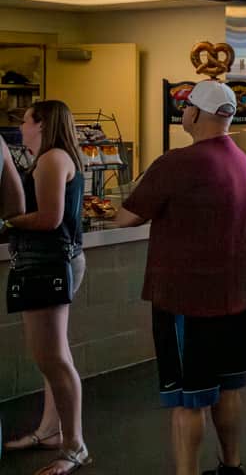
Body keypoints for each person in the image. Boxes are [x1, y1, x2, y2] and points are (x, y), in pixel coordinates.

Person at [114, 80, 246, 475]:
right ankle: (232, 466)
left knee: (187, 399)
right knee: (227, 388)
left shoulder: (177, 162)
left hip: (186, 301)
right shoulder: (241, 160)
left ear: (193, 113)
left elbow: (125, 216)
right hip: (234, 296)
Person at [1, 102, 90, 474]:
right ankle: (50, 431)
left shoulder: (53, 159)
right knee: (51, 358)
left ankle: (74, 446)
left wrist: (7, 223)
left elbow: (49, 218)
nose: (21, 128)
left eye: (25, 121)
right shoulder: (55, 157)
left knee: (53, 359)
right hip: (50, 262)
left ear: (41, 124)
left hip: (48, 264)